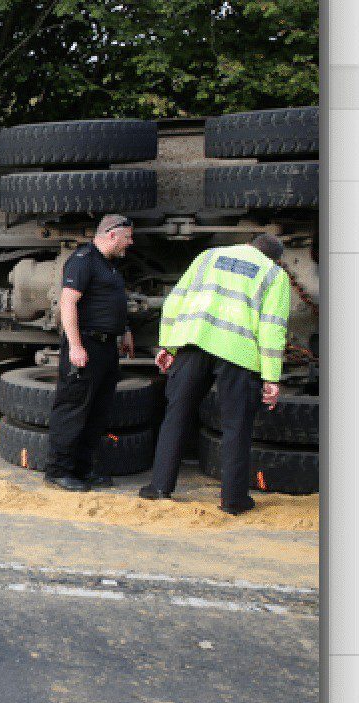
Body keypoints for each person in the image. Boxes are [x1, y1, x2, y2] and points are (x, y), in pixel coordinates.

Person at [140, 233, 291, 515]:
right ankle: (233, 501)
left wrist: (169, 345)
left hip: (194, 343)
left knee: (177, 416)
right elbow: (272, 328)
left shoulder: (208, 256)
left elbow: (175, 301)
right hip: (238, 354)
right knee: (236, 426)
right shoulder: (274, 274)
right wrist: (272, 378)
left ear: (248, 245)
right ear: (274, 257)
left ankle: (159, 488)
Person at [44, 213, 137, 492]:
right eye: (128, 237)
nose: (130, 243)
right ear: (112, 235)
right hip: (86, 346)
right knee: (73, 409)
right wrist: (75, 345)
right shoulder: (83, 260)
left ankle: (83, 469)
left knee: (97, 411)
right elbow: (68, 304)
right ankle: (58, 470)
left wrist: (126, 330)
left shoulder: (108, 266)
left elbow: (111, 302)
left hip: (106, 347)